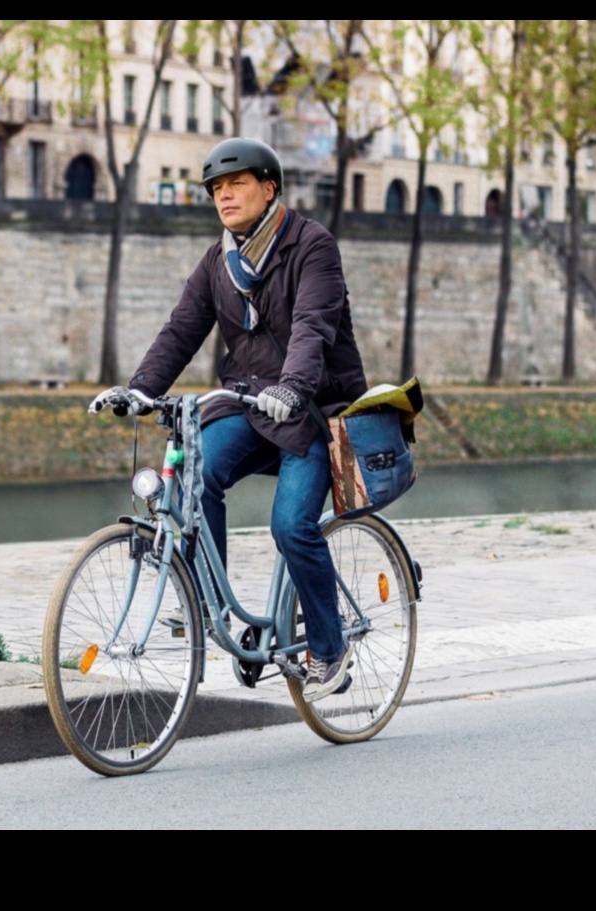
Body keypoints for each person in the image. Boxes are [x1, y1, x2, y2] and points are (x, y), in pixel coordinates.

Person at [89, 137, 368, 701]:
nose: (225, 196)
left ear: (269, 189)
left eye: (236, 184)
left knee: (291, 526)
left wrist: (293, 388)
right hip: (251, 405)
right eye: (216, 188)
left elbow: (314, 326)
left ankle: (329, 649)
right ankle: (206, 603)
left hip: (313, 409)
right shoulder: (219, 260)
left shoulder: (312, 246)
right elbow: (181, 329)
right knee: (196, 470)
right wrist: (139, 391)